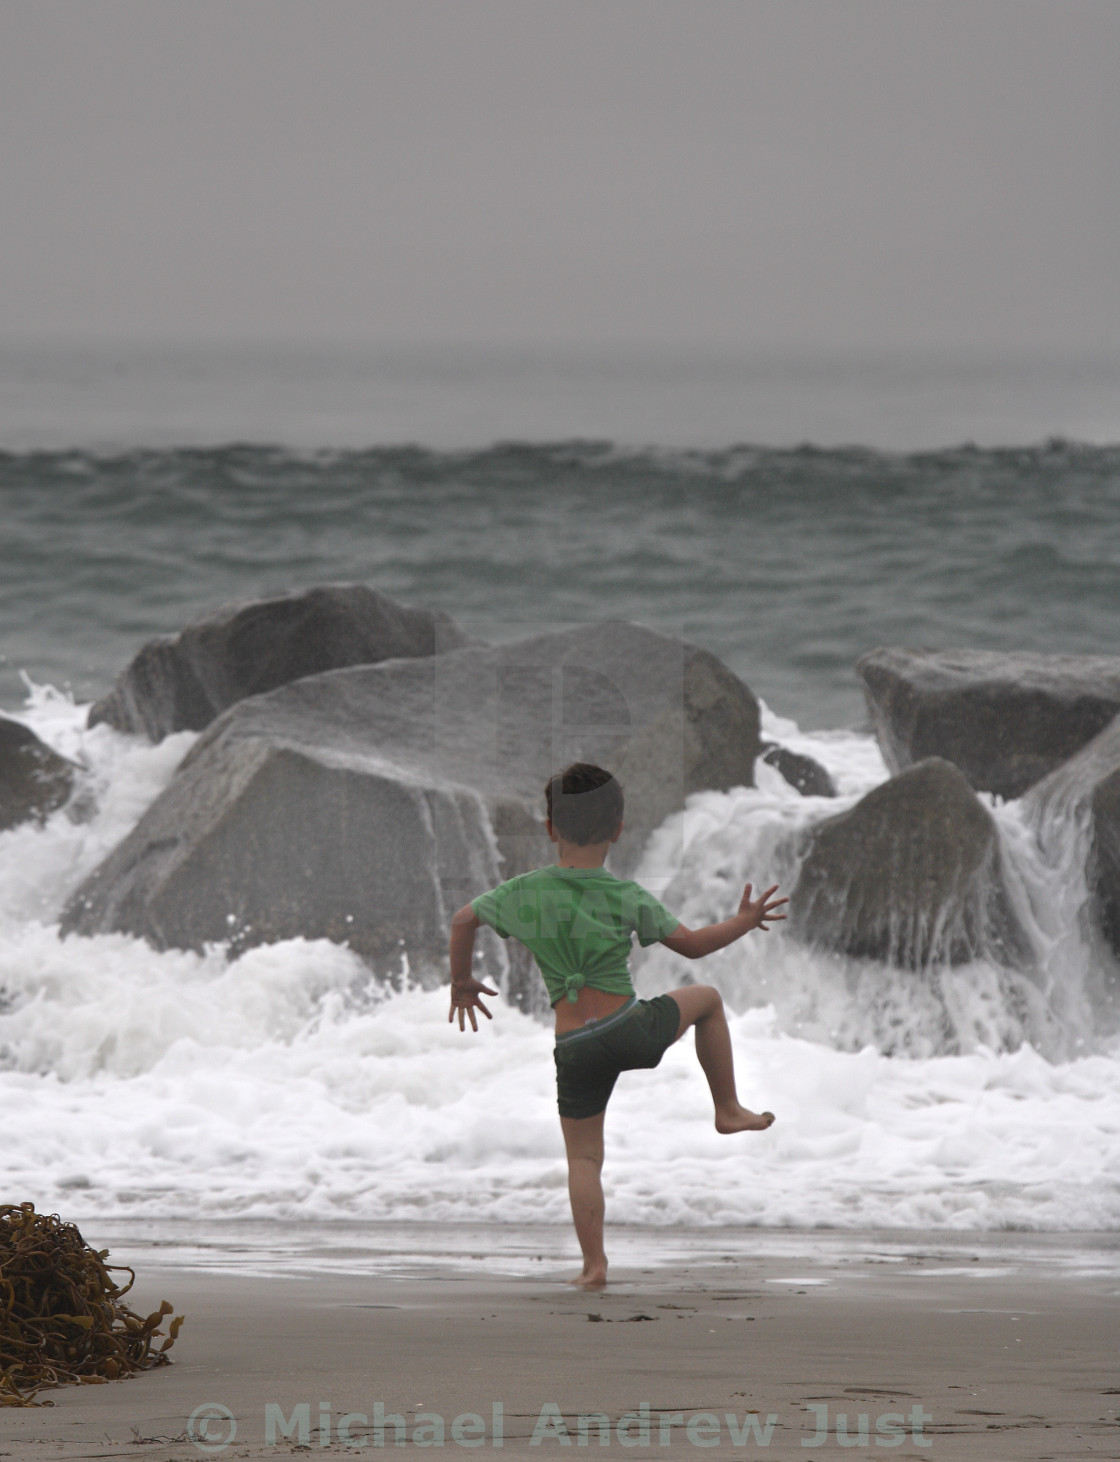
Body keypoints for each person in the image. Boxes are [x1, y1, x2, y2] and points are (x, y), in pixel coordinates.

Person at [448, 762, 785, 1290]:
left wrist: (462, 982)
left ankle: (594, 1266)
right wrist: (743, 922)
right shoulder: (626, 895)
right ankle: (727, 1108)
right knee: (708, 1000)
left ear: (550, 828)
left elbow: (463, 920)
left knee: (583, 1158)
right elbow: (694, 946)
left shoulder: (523, 893)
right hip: (630, 1029)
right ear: (619, 829)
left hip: (573, 1047)